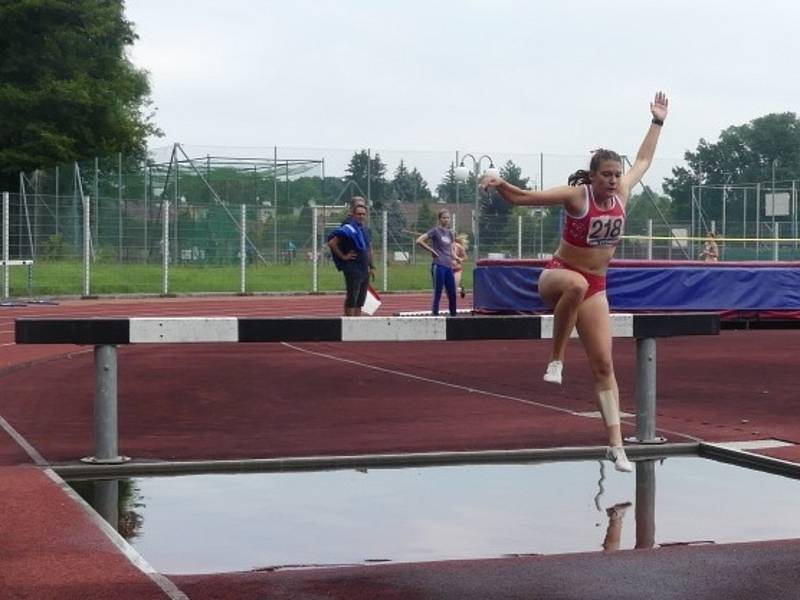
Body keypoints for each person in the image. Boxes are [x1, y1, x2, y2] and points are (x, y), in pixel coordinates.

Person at [481, 91, 670, 473]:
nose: (615, 181)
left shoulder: (624, 193)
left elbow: (646, 159)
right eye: (607, 175)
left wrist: (657, 121)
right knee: (575, 286)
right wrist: (500, 183)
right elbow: (523, 198)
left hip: (596, 286)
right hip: (557, 276)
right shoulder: (575, 196)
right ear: (593, 176)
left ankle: (617, 447)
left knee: (604, 365)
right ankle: (555, 360)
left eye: (618, 175)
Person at [327, 197, 375, 316]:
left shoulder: (364, 229)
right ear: (353, 213)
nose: (361, 216)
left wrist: (372, 266)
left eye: (363, 214)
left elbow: (368, 248)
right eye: (358, 214)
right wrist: (343, 256)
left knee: (360, 301)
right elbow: (332, 243)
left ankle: (357, 325)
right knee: (352, 298)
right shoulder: (348, 227)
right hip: (353, 268)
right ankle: (348, 324)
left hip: (364, 268)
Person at [416, 209, 458, 316]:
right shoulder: (435, 231)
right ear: (439, 219)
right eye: (444, 217)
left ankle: (454, 317)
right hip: (438, 265)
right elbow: (419, 240)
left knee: (452, 294)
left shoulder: (450, 233)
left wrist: (456, 258)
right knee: (438, 293)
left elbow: (451, 250)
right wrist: (431, 250)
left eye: (448, 218)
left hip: (449, 266)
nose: (446, 220)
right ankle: (435, 317)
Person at [452, 233, 469, 299]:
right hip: (447, 269)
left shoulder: (458, 246)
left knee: (454, 289)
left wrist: (460, 260)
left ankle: (453, 307)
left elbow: (465, 257)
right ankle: (460, 289)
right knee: (448, 290)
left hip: (457, 270)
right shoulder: (445, 246)